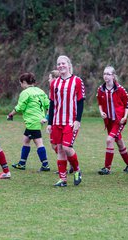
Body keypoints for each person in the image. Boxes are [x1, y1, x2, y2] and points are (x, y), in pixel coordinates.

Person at [46, 55, 84, 187]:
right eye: (58, 64)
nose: (61, 66)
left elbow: (80, 102)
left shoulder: (77, 81)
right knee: (59, 148)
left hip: (70, 121)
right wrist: (50, 123)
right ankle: (63, 179)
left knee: (67, 147)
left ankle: (77, 170)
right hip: (57, 121)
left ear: (68, 64)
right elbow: (52, 103)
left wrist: (77, 120)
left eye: (63, 63)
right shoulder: (54, 83)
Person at [7, 72, 50, 171]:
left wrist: (10, 114)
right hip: (38, 119)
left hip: (32, 121)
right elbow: (48, 105)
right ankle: (22, 163)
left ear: (24, 82)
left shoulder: (25, 93)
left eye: (21, 83)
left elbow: (20, 107)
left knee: (38, 142)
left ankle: (45, 164)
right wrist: (46, 117)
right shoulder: (40, 91)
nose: (21, 86)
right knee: (26, 139)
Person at [96, 66, 128, 175]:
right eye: (104, 74)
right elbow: (99, 104)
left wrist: (125, 117)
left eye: (108, 74)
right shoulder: (101, 89)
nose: (105, 76)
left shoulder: (120, 89)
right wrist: (101, 112)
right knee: (119, 142)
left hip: (118, 120)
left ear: (113, 76)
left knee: (109, 140)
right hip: (109, 121)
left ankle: (107, 168)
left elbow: (127, 104)